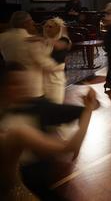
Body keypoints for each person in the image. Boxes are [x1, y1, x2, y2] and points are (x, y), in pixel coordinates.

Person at [0, 62, 95, 201]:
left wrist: (88, 109)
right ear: (4, 88)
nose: (22, 88)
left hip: (38, 182)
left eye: (24, 83)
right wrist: (89, 109)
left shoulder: (38, 108)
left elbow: (69, 144)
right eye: (15, 84)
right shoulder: (13, 129)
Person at [0, 11, 59, 100]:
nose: (33, 23)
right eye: (31, 21)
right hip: (32, 89)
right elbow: (48, 65)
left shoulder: (2, 37)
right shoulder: (31, 41)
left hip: (11, 88)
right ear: (25, 23)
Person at [41, 18, 71, 104]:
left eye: (50, 27)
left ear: (58, 28)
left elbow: (58, 62)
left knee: (55, 105)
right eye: (46, 26)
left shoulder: (63, 41)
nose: (47, 29)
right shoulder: (44, 41)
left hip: (55, 81)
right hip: (42, 81)